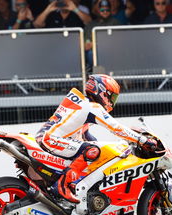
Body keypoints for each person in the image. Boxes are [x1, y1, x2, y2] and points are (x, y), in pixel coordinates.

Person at [36, 74, 157, 203]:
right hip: (50, 140)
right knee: (93, 150)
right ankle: (62, 186)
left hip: (47, 138)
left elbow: (86, 136)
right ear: (103, 92)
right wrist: (142, 140)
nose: (112, 101)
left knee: (95, 149)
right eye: (112, 97)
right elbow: (116, 128)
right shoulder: (92, 107)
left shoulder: (82, 103)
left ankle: (73, 187)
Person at [84, 1, 120, 69]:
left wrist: (95, 43)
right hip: (96, 53)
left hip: (112, 52)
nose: (105, 12)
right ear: (98, 10)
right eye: (102, 10)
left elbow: (117, 42)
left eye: (107, 10)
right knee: (90, 54)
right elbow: (86, 44)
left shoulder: (115, 22)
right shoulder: (91, 25)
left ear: (110, 10)